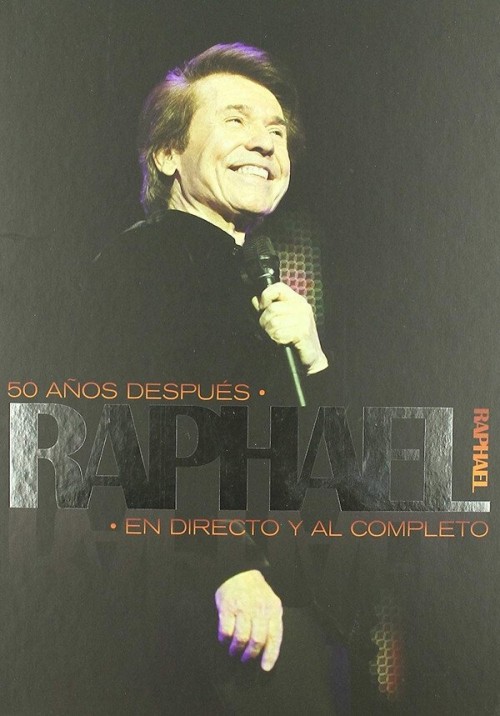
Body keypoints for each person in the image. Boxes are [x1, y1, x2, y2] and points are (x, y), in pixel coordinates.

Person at [82, 43, 338, 713]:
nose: (265, 142)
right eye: (235, 120)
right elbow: (145, 426)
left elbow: (322, 479)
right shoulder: (154, 258)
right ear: (169, 153)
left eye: (277, 131)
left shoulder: (248, 279)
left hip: (278, 615)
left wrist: (313, 359)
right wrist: (226, 563)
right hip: (217, 618)